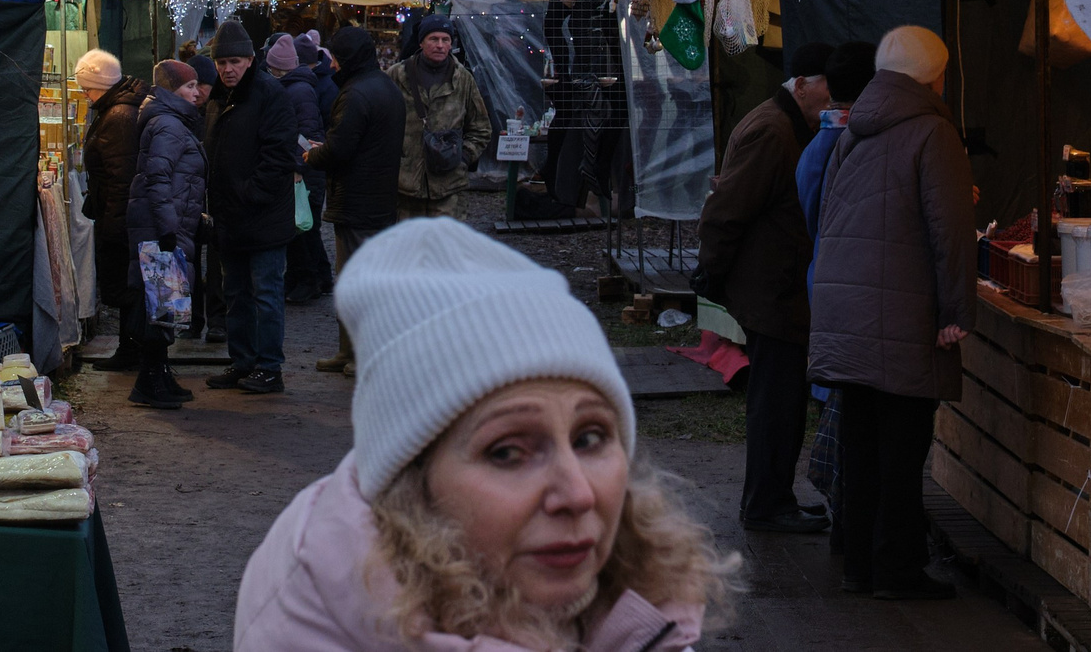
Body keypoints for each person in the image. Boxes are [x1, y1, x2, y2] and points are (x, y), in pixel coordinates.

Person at [234, 217, 730, 651]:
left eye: (590, 438)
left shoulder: (637, 600)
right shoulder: (311, 623)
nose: (577, 494)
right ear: (410, 483)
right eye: (508, 451)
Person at [806, 25, 973, 601]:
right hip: (903, 316)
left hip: (846, 310)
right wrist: (955, 309)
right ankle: (896, 569)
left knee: (862, 444)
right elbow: (951, 232)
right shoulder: (933, 132)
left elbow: (830, 217)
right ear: (935, 75)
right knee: (902, 450)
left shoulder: (853, 131)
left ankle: (859, 565)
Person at [692, 40, 833, 536]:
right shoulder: (773, 132)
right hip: (771, 290)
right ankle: (766, 505)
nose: (833, 103)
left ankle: (775, 499)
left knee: (784, 401)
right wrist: (711, 271)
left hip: (779, 287)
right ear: (801, 85)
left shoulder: (784, 124)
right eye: (828, 92)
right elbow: (727, 209)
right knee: (776, 403)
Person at [791, 40, 874, 520]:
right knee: (845, 419)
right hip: (842, 293)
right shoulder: (849, 148)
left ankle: (845, 517)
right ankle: (847, 516)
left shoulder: (815, 147)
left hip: (821, 285)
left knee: (836, 409)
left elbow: (808, 217)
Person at [303, 23, 405, 376]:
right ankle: (348, 352)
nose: (330, 65)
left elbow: (341, 149)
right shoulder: (383, 86)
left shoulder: (357, 93)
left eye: (334, 58)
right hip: (376, 199)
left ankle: (363, 355)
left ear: (346, 59)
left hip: (359, 202)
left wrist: (313, 156)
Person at [206, 17, 302, 393]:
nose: (228, 69)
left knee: (265, 293)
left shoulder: (269, 94)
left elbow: (279, 155)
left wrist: (250, 194)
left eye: (235, 62)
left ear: (250, 60)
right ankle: (242, 361)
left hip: (261, 216)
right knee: (236, 293)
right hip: (230, 215)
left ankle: (268, 367)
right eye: (222, 63)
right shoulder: (219, 96)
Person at [124, 61, 210, 409]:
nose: (197, 92)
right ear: (173, 90)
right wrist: (168, 229)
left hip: (168, 225)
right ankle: (149, 382)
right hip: (162, 229)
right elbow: (157, 180)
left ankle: (159, 374)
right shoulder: (168, 125)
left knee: (165, 307)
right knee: (159, 307)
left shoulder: (172, 122)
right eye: (190, 87)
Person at [74, 49, 147, 372]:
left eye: (86, 87)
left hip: (122, 218)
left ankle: (132, 351)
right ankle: (129, 349)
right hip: (117, 213)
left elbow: (122, 177)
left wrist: (115, 224)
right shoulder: (117, 110)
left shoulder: (118, 117)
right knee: (127, 286)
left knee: (129, 287)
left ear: (99, 84)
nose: (83, 93)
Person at [387, 13, 494, 221]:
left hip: (449, 187)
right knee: (410, 249)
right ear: (421, 41)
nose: (440, 45)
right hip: (406, 185)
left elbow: (481, 128)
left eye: (445, 40)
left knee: (445, 250)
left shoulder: (462, 79)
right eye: (433, 39)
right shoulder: (397, 76)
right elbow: (382, 123)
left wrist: (463, 157)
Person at [269, 34, 332, 305]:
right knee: (303, 228)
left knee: (303, 228)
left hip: (305, 172)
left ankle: (307, 281)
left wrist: (298, 166)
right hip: (305, 169)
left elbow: (307, 134)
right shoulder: (296, 87)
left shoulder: (298, 90)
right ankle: (311, 278)